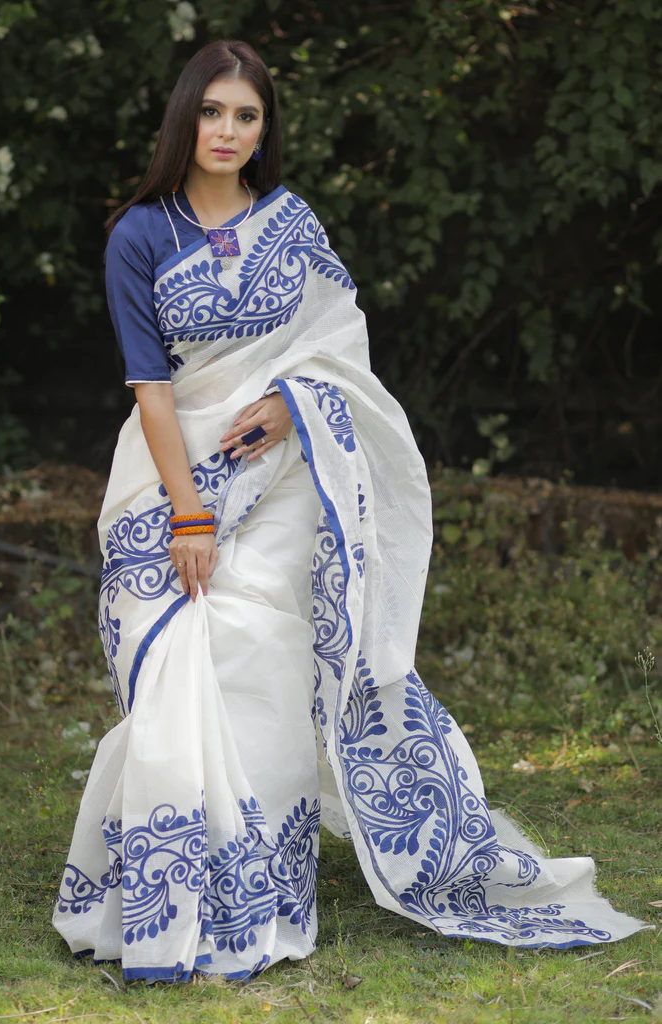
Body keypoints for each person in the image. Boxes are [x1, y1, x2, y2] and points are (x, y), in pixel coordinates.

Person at [52, 38, 647, 983]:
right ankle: (161, 895)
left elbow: (339, 354)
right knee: (173, 658)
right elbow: (151, 391)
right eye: (213, 112)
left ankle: (255, 900)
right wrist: (189, 517)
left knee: (259, 654)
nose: (229, 132)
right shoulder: (141, 234)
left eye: (248, 116)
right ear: (185, 119)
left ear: (265, 129)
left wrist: (293, 403)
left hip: (286, 477)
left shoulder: (291, 226)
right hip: (170, 481)